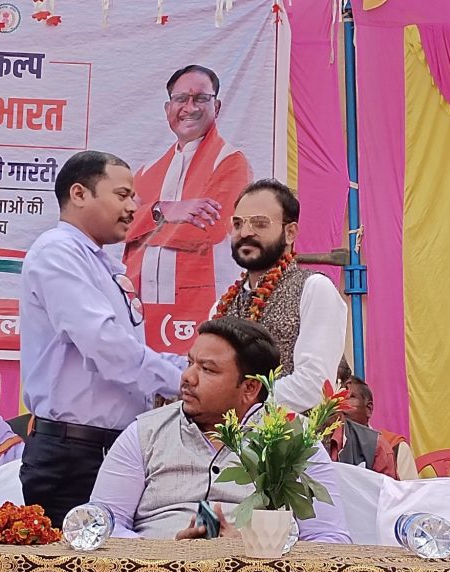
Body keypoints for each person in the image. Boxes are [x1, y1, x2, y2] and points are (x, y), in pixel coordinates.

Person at [19, 150, 187, 527]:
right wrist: (183, 382)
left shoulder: (99, 262)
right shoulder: (57, 251)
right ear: (79, 194)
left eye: (134, 197)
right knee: (73, 557)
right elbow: (104, 345)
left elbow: (130, 350)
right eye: (122, 195)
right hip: (74, 454)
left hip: (111, 448)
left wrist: (190, 369)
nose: (133, 207)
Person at [89, 316, 351, 541]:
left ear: (250, 388)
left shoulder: (295, 439)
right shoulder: (145, 433)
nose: (187, 377)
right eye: (190, 363)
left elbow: (329, 538)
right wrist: (164, 555)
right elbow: (100, 523)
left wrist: (254, 550)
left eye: (207, 369)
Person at [124, 65, 251, 316]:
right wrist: (163, 210)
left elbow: (207, 232)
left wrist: (143, 227)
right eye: (181, 98)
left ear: (217, 107)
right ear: (168, 108)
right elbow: (122, 227)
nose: (190, 107)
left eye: (201, 98)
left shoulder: (230, 162)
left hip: (203, 306)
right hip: (144, 308)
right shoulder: (148, 170)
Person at [215, 178, 346, 413]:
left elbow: (314, 385)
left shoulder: (314, 288)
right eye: (237, 223)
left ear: (290, 232)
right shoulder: (222, 306)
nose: (245, 232)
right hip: (226, 432)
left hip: (292, 435)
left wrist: (239, 407)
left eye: (260, 224)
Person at [340, 375, 417, 480]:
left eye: (349, 397)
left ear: (369, 409)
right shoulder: (328, 445)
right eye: (337, 397)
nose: (340, 403)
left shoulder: (396, 447)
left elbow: (408, 489)